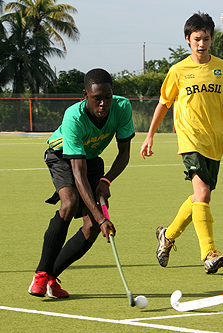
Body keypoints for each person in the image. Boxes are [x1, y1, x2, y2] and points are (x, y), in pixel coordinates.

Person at [140, 12, 223, 274]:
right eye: (196, 39)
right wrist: (150, 135)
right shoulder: (178, 70)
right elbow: (164, 103)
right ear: (188, 39)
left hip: (215, 141)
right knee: (203, 194)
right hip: (190, 138)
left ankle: (168, 234)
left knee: (200, 196)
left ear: (211, 39)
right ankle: (209, 252)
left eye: (206, 39)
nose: (201, 44)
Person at [28, 68, 135, 298]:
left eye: (108, 97)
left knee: (92, 228)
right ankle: (40, 274)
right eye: (97, 98)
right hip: (62, 156)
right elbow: (78, 173)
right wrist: (102, 217)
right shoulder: (73, 117)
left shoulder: (122, 107)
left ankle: (51, 278)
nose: (104, 104)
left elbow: (124, 153)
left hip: (93, 159)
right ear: (84, 95)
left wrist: (106, 180)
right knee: (69, 203)